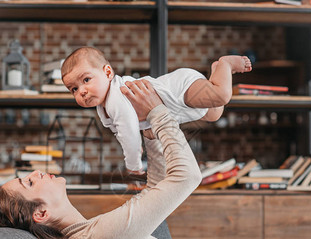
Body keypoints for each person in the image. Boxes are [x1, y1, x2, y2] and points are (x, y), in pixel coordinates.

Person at [0, 79, 204, 239]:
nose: (36, 173)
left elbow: (158, 188)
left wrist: (149, 134)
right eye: (29, 182)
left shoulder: (92, 237)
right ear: (41, 212)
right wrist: (158, 113)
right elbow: (187, 177)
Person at [61, 46, 252, 174]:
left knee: (221, 96)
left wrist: (133, 165)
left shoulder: (115, 98)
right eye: (74, 89)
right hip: (179, 109)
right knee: (214, 114)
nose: (82, 91)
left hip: (180, 89)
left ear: (108, 73)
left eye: (86, 80)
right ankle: (216, 70)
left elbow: (128, 134)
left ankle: (225, 63)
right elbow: (125, 133)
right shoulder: (104, 109)